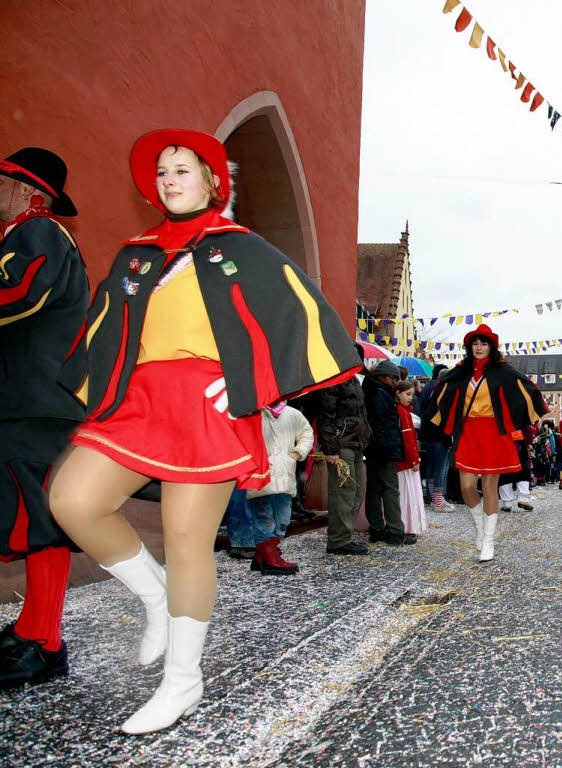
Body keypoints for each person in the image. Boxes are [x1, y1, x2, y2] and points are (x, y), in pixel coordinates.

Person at [50, 130, 361, 733]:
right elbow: (107, 325)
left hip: (207, 404)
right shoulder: (137, 254)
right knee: (73, 499)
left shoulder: (241, 247)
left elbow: (301, 316)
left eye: (182, 169)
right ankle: (154, 597)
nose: (169, 179)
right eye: (162, 172)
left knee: (187, 538)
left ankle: (183, 681)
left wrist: (251, 386)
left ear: (215, 180)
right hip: (139, 400)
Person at [0, 148, 88, 688]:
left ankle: (44, 641)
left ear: (26, 190)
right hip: (29, 398)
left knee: (40, 517)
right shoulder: (25, 232)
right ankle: (35, 630)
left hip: (37, 400)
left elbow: (19, 293)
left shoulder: (38, 233)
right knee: (31, 515)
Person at [423, 324, 548, 562]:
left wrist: (516, 417)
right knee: (467, 487)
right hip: (468, 432)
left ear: (491, 347)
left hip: (494, 432)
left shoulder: (503, 371)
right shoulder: (461, 371)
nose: (479, 347)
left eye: (484, 343)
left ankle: (488, 540)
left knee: (490, 486)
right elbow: (441, 391)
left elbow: (528, 388)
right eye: (475, 343)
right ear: (470, 346)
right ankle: (480, 530)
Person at [313, 351, 372, 556]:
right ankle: (338, 540)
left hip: (355, 442)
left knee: (356, 491)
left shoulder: (353, 378)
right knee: (343, 492)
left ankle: (343, 536)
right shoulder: (333, 378)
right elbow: (325, 415)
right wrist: (330, 449)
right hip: (341, 444)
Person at [246, 402, 314, 575]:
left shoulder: (292, 414)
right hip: (261, 475)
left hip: (285, 477)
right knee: (263, 516)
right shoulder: (254, 413)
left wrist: (298, 452)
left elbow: (307, 432)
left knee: (282, 518)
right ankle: (269, 556)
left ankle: (265, 553)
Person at [362, 359, 413, 546]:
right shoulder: (381, 394)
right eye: (393, 378)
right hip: (384, 449)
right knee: (390, 489)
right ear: (382, 377)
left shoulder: (370, 390)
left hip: (373, 448)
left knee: (374, 489)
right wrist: (388, 447)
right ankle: (395, 531)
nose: (395, 382)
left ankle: (376, 528)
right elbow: (381, 424)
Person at [416, 364, 455, 512]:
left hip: (429, 434)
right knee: (440, 469)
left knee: (432, 468)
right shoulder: (444, 393)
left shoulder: (431, 390)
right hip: (440, 434)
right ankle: (438, 502)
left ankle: (433, 498)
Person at [396, 380, 427, 536]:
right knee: (406, 494)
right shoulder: (403, 412)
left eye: (411, 395)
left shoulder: (403, 410)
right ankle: (407, 524)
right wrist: (414, 460)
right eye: (407, 394)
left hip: (403, 460)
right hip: (405, 462)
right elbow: (409, 440)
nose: (410, 398)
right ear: (398, 393)